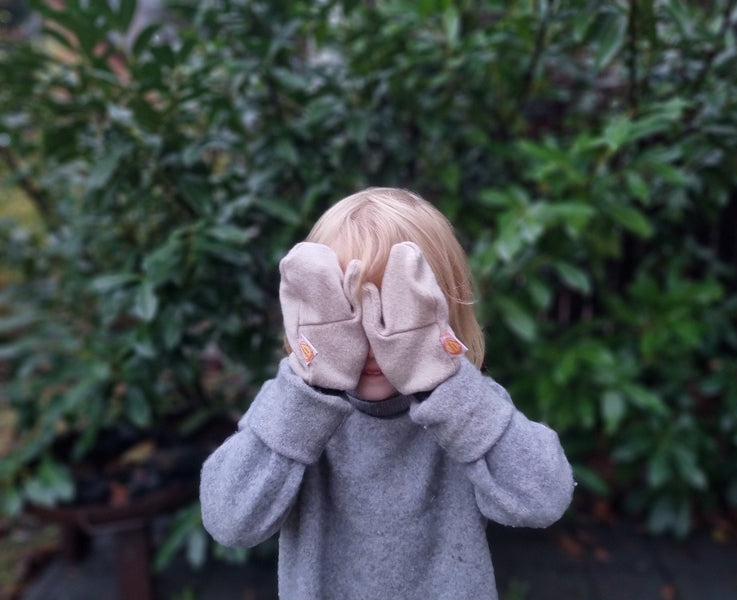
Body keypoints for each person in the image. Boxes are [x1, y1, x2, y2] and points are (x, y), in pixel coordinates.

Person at [200, 187, 575, 599]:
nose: (373, 338)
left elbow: (544, 498)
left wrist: (440, 379)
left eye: (395, 312)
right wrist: (313, 388)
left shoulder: (465, 406)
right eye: (346, 310)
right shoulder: (293, 413)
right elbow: (230, 521)